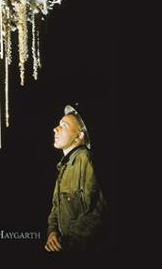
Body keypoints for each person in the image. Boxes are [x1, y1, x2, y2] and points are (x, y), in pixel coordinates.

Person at [45, 105, 106, 252]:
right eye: (58, 125)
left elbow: (98, 212)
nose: (56, 129)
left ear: (79, 136)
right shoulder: (64, 166)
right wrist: (52, 233)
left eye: (63, 126)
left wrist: (67, 243)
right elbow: (56, 207)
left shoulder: (85, 159)